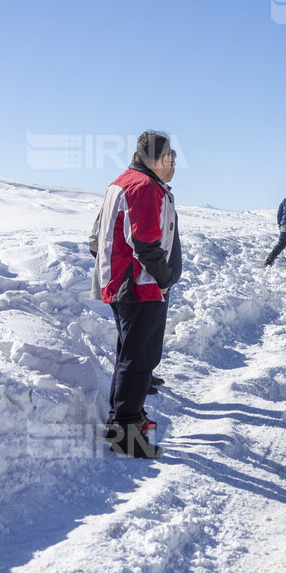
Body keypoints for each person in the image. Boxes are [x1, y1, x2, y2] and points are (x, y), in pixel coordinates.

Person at [94, 131, 180, 459]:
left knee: (131, 354)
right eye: (170, 157)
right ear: (157, 159)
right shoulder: (142, 187)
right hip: (140, 286)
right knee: (139, 357)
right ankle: (124, 431)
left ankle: (129, 418)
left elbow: (96, 235)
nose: (173, 164)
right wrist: (163, 278)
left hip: (128, 283)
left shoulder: (125, 182)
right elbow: (145, 241)